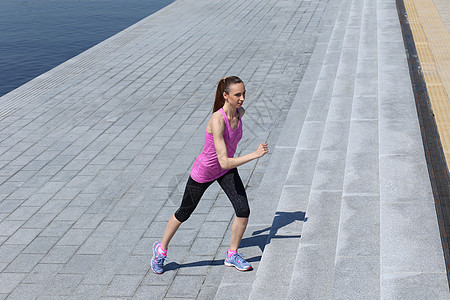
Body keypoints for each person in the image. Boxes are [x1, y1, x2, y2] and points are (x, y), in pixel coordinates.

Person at [151, 76, 269, 274]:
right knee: (184, 213)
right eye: (237, 94)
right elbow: (223, 161)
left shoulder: (240, 113)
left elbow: (226, 163)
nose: (242, 98)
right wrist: (254, 155)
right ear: (225, 95)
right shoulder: (217, 120)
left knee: (243, 210)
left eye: (244, 94)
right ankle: (160, 250)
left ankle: (232, 255)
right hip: (205, 172)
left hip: (226, 171)